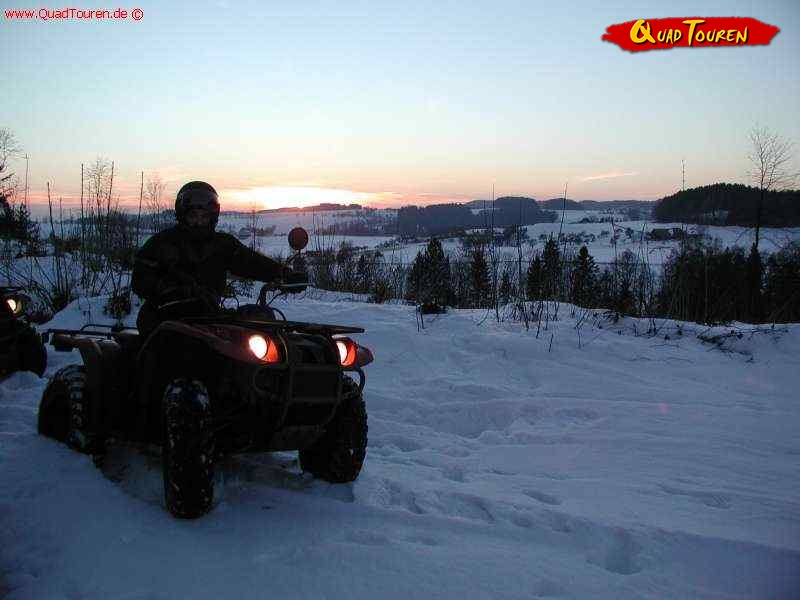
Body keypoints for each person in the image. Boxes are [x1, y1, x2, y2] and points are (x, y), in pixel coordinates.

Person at [131, 181, 304, 335]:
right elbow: (140, 279)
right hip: (165, 319)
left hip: (208, 319)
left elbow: (251, 262)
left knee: (256, 327)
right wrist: (168, 289)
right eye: (193, 217)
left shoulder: (221, 244)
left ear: (212, 218)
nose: (198, 222)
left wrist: (283, 273)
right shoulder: (162, 243)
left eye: (204, 217)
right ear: (182, 215)